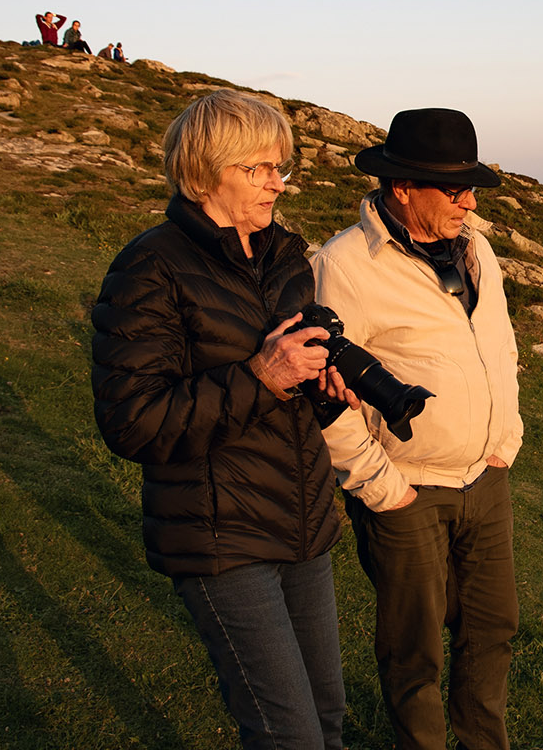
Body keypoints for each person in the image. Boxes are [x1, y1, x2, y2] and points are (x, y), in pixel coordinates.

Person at [91, 89, 355, 750]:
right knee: (289, 735)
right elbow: (133, 422)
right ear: (206, 173)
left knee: (328, 721)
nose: (278, 183)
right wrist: (259, 376)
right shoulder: (151, 267)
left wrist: (322, 389)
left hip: (302, 521)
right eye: (258, 168)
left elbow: (289, 399)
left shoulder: (284, 257)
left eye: (280, 167)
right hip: (219, 536)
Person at [312, 107, 523, 750]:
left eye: (472, 188)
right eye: (454, 190)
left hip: (485, 478)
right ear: (403, 187)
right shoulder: (345, 264)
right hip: (406, 490)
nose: (469, 203)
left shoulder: (478, 250)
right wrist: (380, 486)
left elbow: (501, 345)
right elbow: (325, 391)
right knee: (415, 649)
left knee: (492, 629)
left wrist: (505, 439)